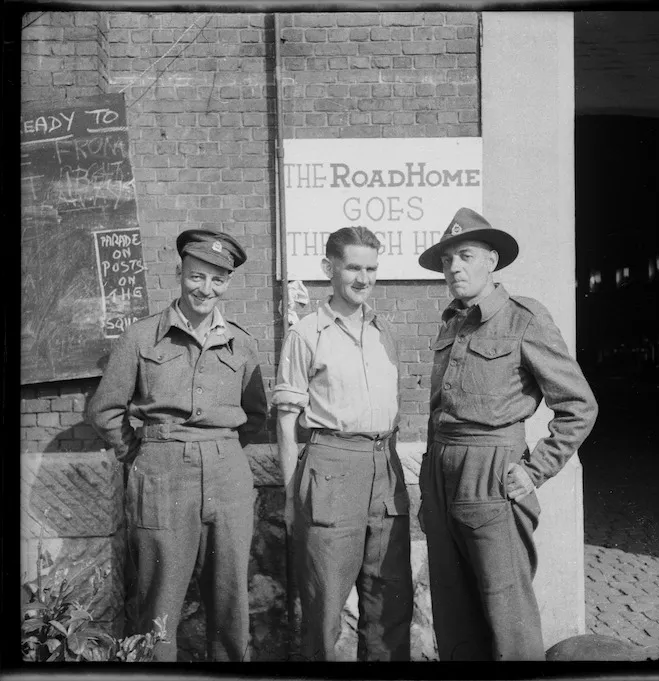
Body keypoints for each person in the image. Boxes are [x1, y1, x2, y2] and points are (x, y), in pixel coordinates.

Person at [416, 207, 599, 661]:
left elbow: (579, 405)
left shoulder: (525, 319)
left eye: (466, 255)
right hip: (441, 473)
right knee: (453, 610)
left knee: (507, 612)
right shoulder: (452, 322)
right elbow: (438, 411)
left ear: (492, 261)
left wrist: (536, 470)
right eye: (446, 260)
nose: (453, 267)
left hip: (492, 474)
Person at [88, 229, 267, 662]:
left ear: (227, 284)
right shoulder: (142, 336)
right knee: (159, 601)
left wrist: (219, 449)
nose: (206, 289)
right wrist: (142, 452)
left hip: (228, 476)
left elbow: (256, 414)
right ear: (180, 273)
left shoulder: (242, 343)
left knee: (230, 600)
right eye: (196, 276)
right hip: (162, 474)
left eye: (217, 280)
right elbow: (106, 410)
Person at [272, 226, 413, 661]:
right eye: (353, 267)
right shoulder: (307, 333)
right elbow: (285, 418)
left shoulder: (384, 331)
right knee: (324, 607)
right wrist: (292, 493)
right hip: (331, 467)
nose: (363, 278)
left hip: (384, 470)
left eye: (371, 268)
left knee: (389, 602)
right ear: (328, 268)